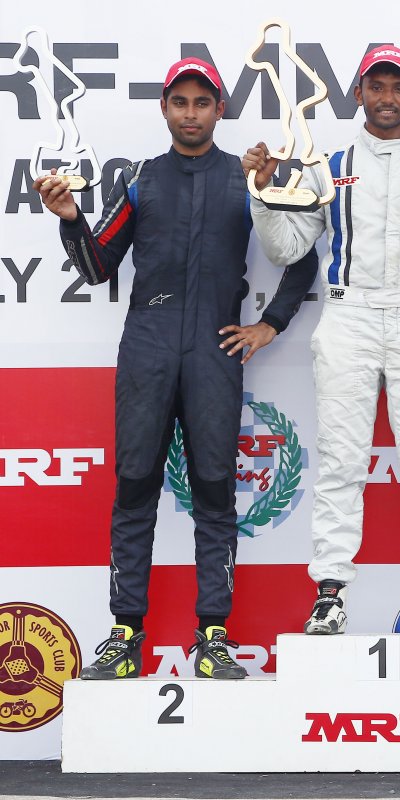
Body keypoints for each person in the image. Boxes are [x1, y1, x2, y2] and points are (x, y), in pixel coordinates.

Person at [33, 57, 318, 680]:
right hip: (149, 347)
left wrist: (269, 325)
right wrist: (71, 221)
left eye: (202, 102)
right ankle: (124, 635)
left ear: (219, 109)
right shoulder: (140, 179)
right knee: (134, 487)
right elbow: (96, 265)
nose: (191, 113)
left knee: (216, 492)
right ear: (165, 108)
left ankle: (214, 638)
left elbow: (300, 258)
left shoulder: (249, 178)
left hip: (214, 352)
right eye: (180, 102)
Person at [242, 45, 400, 636]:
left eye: (398, 87)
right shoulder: (328, 165)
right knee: (341, 461)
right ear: (358, 93)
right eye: (376, 86)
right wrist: (262, 191)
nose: (387, 98)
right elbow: (286, 249)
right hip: (348, 317)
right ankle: (329, 593)